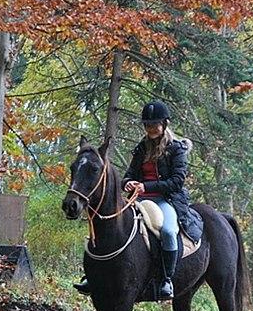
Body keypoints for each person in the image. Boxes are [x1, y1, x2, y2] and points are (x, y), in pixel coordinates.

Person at [74, 101, 203, 300]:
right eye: (147, 125)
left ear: (165, 124)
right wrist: (128, 183)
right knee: (110, 224)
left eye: (155, 125)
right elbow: (130, 173)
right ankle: (95, 277)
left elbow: (177, 181)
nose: (151, 129)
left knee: (168, 231)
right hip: (139, 199)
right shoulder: (142, 148)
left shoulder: (176, 149)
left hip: (166, 200)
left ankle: (167, 279)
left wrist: (147, 186)